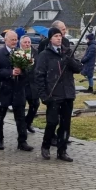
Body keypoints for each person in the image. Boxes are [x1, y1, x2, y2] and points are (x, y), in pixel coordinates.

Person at [34, 26, 82, 161]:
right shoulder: (45, 55)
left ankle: (62, 150)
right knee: (52, 122)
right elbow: (39, 76)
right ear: (50, 39)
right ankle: (46, 145)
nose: (59, 38)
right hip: (53, 94)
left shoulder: (67, 52)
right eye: (56, 36)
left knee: (66, 124)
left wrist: (69, 60)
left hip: (67, 94)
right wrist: (43, 95)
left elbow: (79, 68)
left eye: (60, 36)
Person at [0, 31, 34, 152]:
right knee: (0, 117)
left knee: (20, 117)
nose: (14, 42)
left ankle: (22, 141)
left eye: (16, 39)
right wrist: (10, 73)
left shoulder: (22, 53)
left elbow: (28, 72)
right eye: (12, 40)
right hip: (4, 89)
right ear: (5, 40)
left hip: (18, 90)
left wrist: (22, 72)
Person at [20, 36, 40, 133]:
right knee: (21, 107)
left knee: (35, 104)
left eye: (29, 42)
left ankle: (28, 122)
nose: (27, 44)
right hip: (22, 85)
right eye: (25, 42)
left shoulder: (35, 53)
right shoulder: (17, 53)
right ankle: (22, 126)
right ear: (21, 43)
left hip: (33, 84)